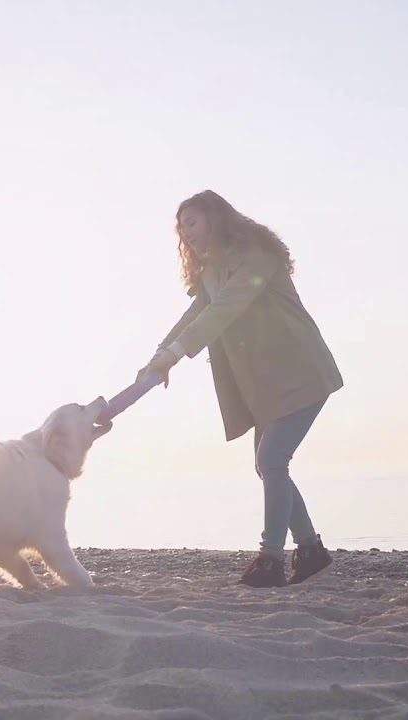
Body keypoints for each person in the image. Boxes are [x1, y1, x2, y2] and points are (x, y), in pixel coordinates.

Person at [139, 190, 344, 588]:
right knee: (269, 465)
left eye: (193, 222)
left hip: (301, 371)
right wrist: (160, 356)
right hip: (266, 383)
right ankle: (310, 550)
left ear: (216, 219)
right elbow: (197, 312)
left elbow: (225, 309)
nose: (187, 233)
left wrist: (176, 354)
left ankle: (270, 558)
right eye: (182, 228)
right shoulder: (211, 272)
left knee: (271, 460)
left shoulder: (256, 256)